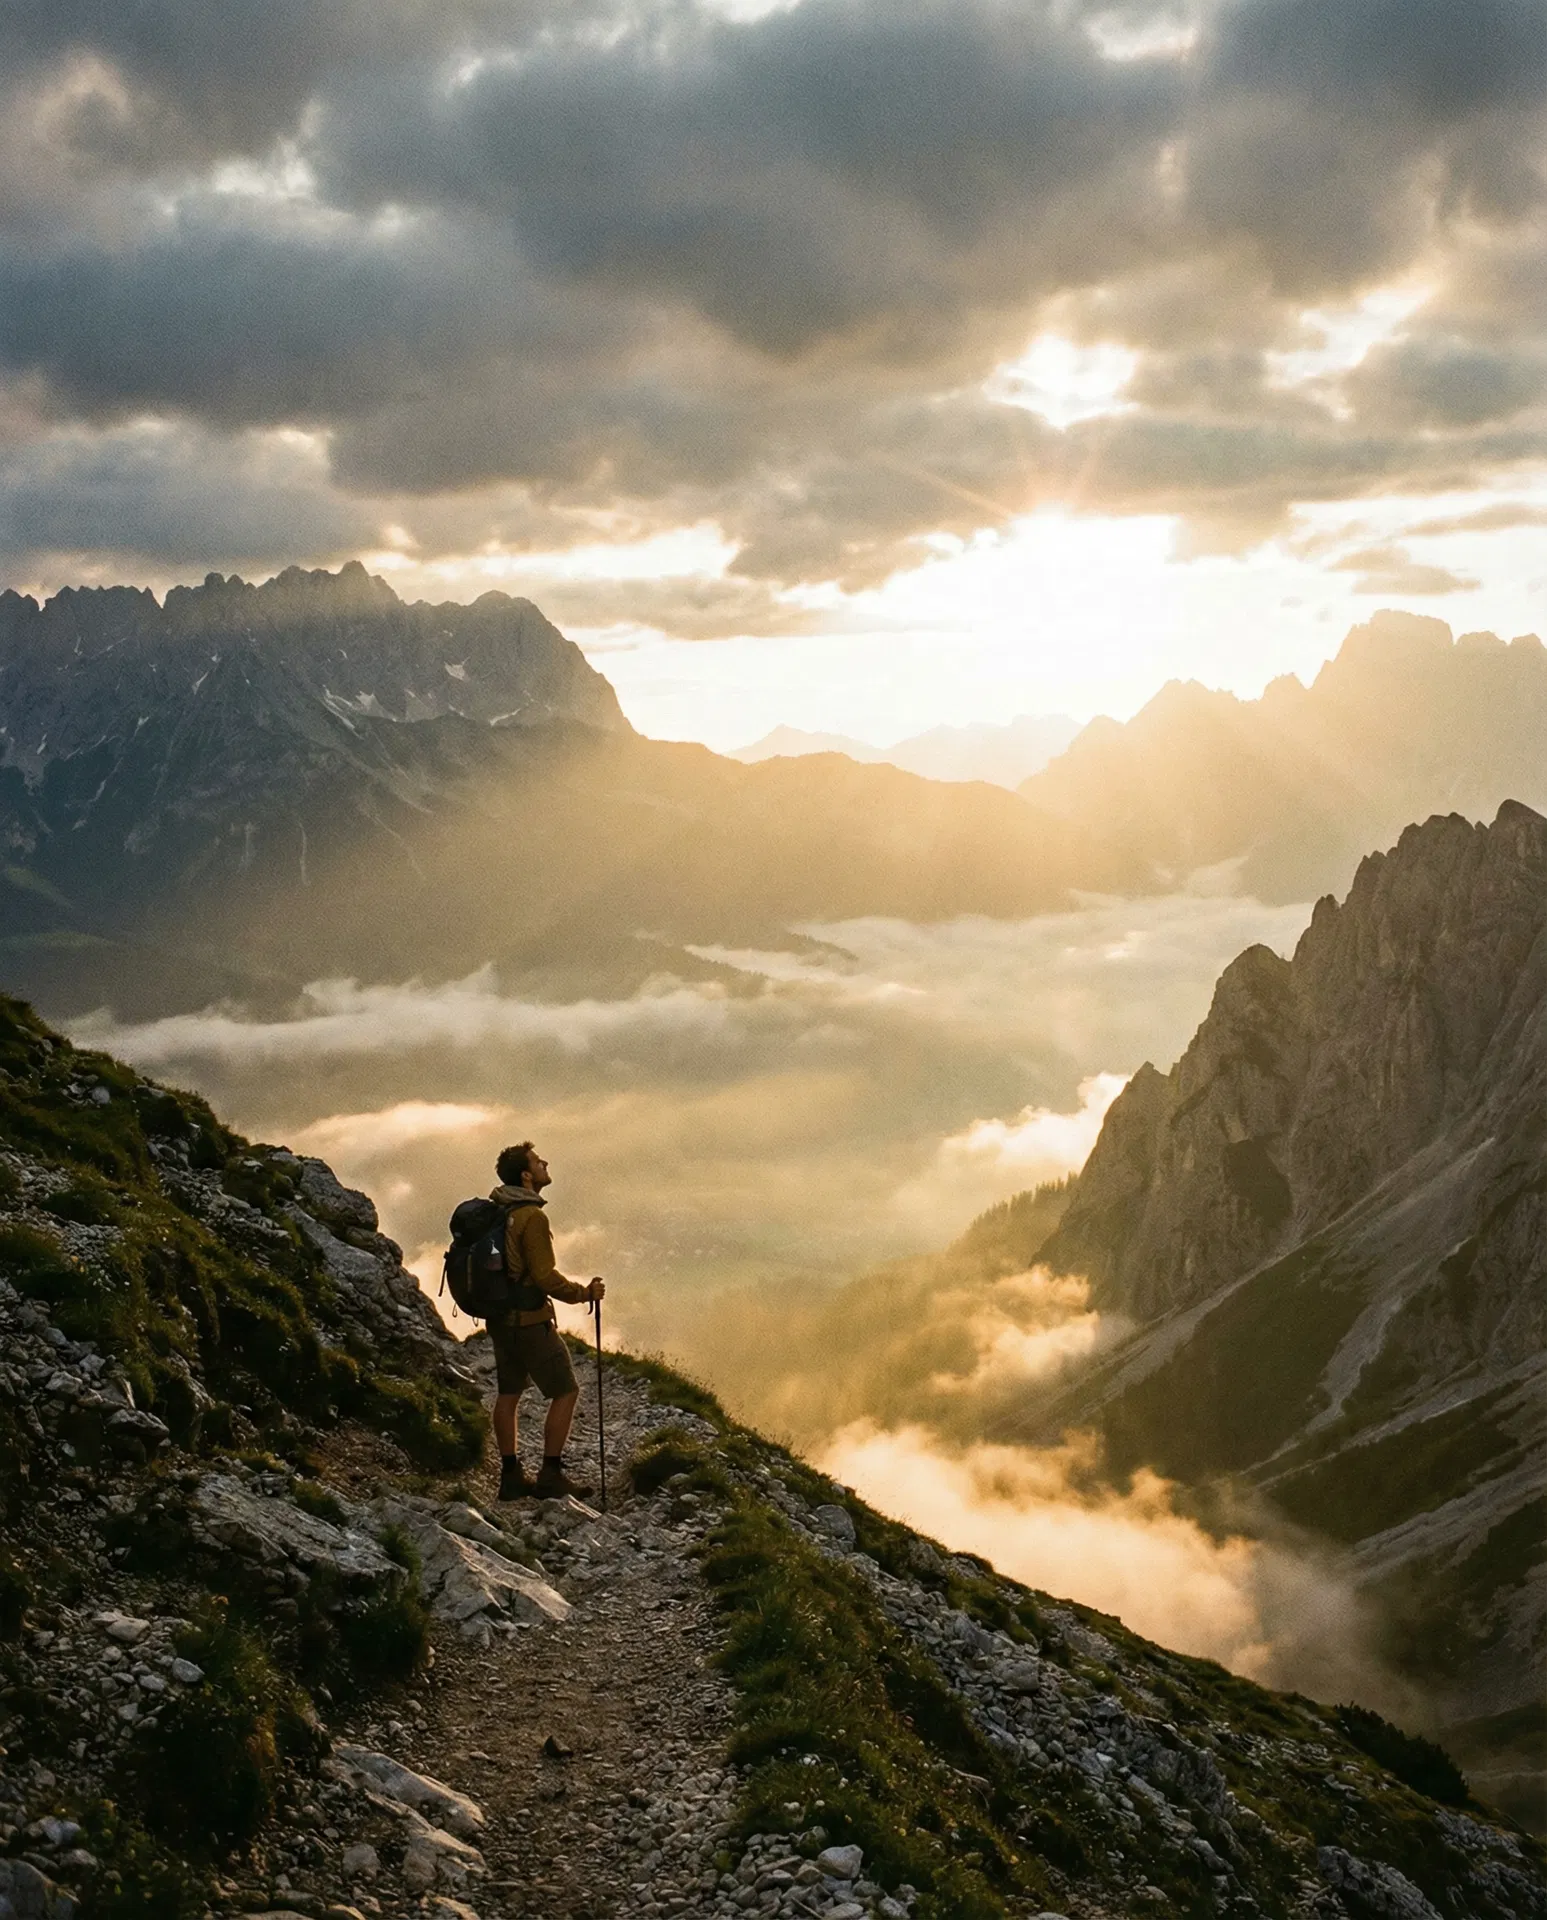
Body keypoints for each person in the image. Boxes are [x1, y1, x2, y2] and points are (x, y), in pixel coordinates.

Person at [486, 1141, 605, 1502]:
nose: (544, 1164)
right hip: (530, 1321)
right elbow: (543, 1276)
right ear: (526, 1175)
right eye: (538, 1162)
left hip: (501, 1318)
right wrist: (584, 1293)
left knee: (508, 1395)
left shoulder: (498, 1211)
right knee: (566, 1390)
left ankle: (510, 1476)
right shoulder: (532, 1216)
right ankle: (550, 1474)